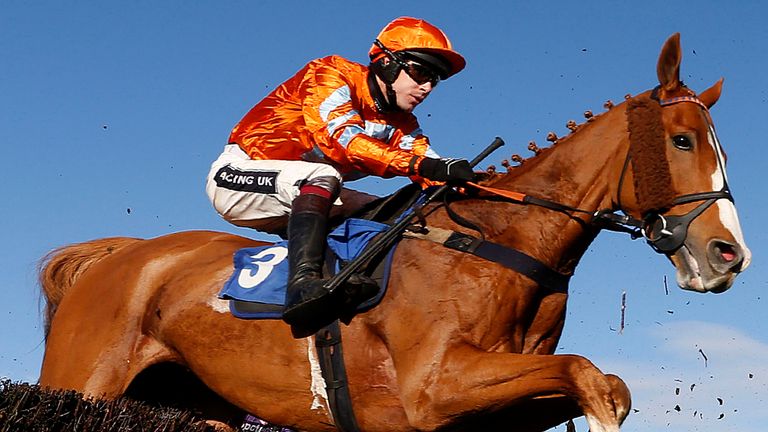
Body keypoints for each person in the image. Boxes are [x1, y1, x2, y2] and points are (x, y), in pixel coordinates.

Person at [206, 16, 474, 334]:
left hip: (298, 196)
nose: (427, 87)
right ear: (387, 62)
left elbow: (428, 164)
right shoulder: (330, 73)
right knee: (322, 175)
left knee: (385, 207)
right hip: (237, 177)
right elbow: (343, 142)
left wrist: (474, 185)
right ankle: (302, 287)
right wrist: (422, 167)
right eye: (420, 72)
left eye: (435, 79)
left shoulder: (402, 124)